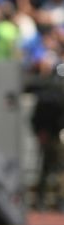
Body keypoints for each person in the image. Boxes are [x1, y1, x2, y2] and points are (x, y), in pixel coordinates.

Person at [30, 79, 64, 212]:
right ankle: (58, 200)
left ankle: (42, 200)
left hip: (48, 136)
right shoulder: (57, 97)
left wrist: (39, 132)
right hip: (54, 136)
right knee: (57, 169)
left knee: (46, 169)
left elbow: (34, 119)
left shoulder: (43, 98)